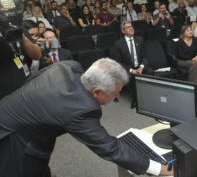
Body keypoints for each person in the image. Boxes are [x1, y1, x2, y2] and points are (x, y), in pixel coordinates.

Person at [0, 58, 173, 177]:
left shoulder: (69, 66)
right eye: (116, 94)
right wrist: (160, 169)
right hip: (12, 138)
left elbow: (33, 80)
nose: (117, 98)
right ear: (96, 91)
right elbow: (110, 148)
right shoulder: (80, 109)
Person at [113, 21, 152, 108]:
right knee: (131, 77)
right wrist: (131, 70)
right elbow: (118, 62)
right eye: (128, 27)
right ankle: (135, 100)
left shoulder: (140, 40)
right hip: (127, 68)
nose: (131, 28)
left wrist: (141, 67)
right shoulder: (118, 44)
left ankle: (149, 97)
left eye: (131, 27)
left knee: (150, 72)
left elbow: (145, 57)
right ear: (123, 31)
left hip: (139, 66)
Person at [0, 20, 42, 99]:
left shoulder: (15, 27)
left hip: (27, 88)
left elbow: (37, 55)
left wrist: (22, 36)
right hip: (5, 97)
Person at [176, 25, 197, 89]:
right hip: (181, 60)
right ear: (183, 33)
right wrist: (192, 59)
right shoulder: (180, 42)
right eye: (188, 31)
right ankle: (194, 84)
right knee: (193, 63)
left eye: (191, 30)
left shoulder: (195, 40)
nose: (190, 31)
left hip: (192, 59)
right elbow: (181, 55)